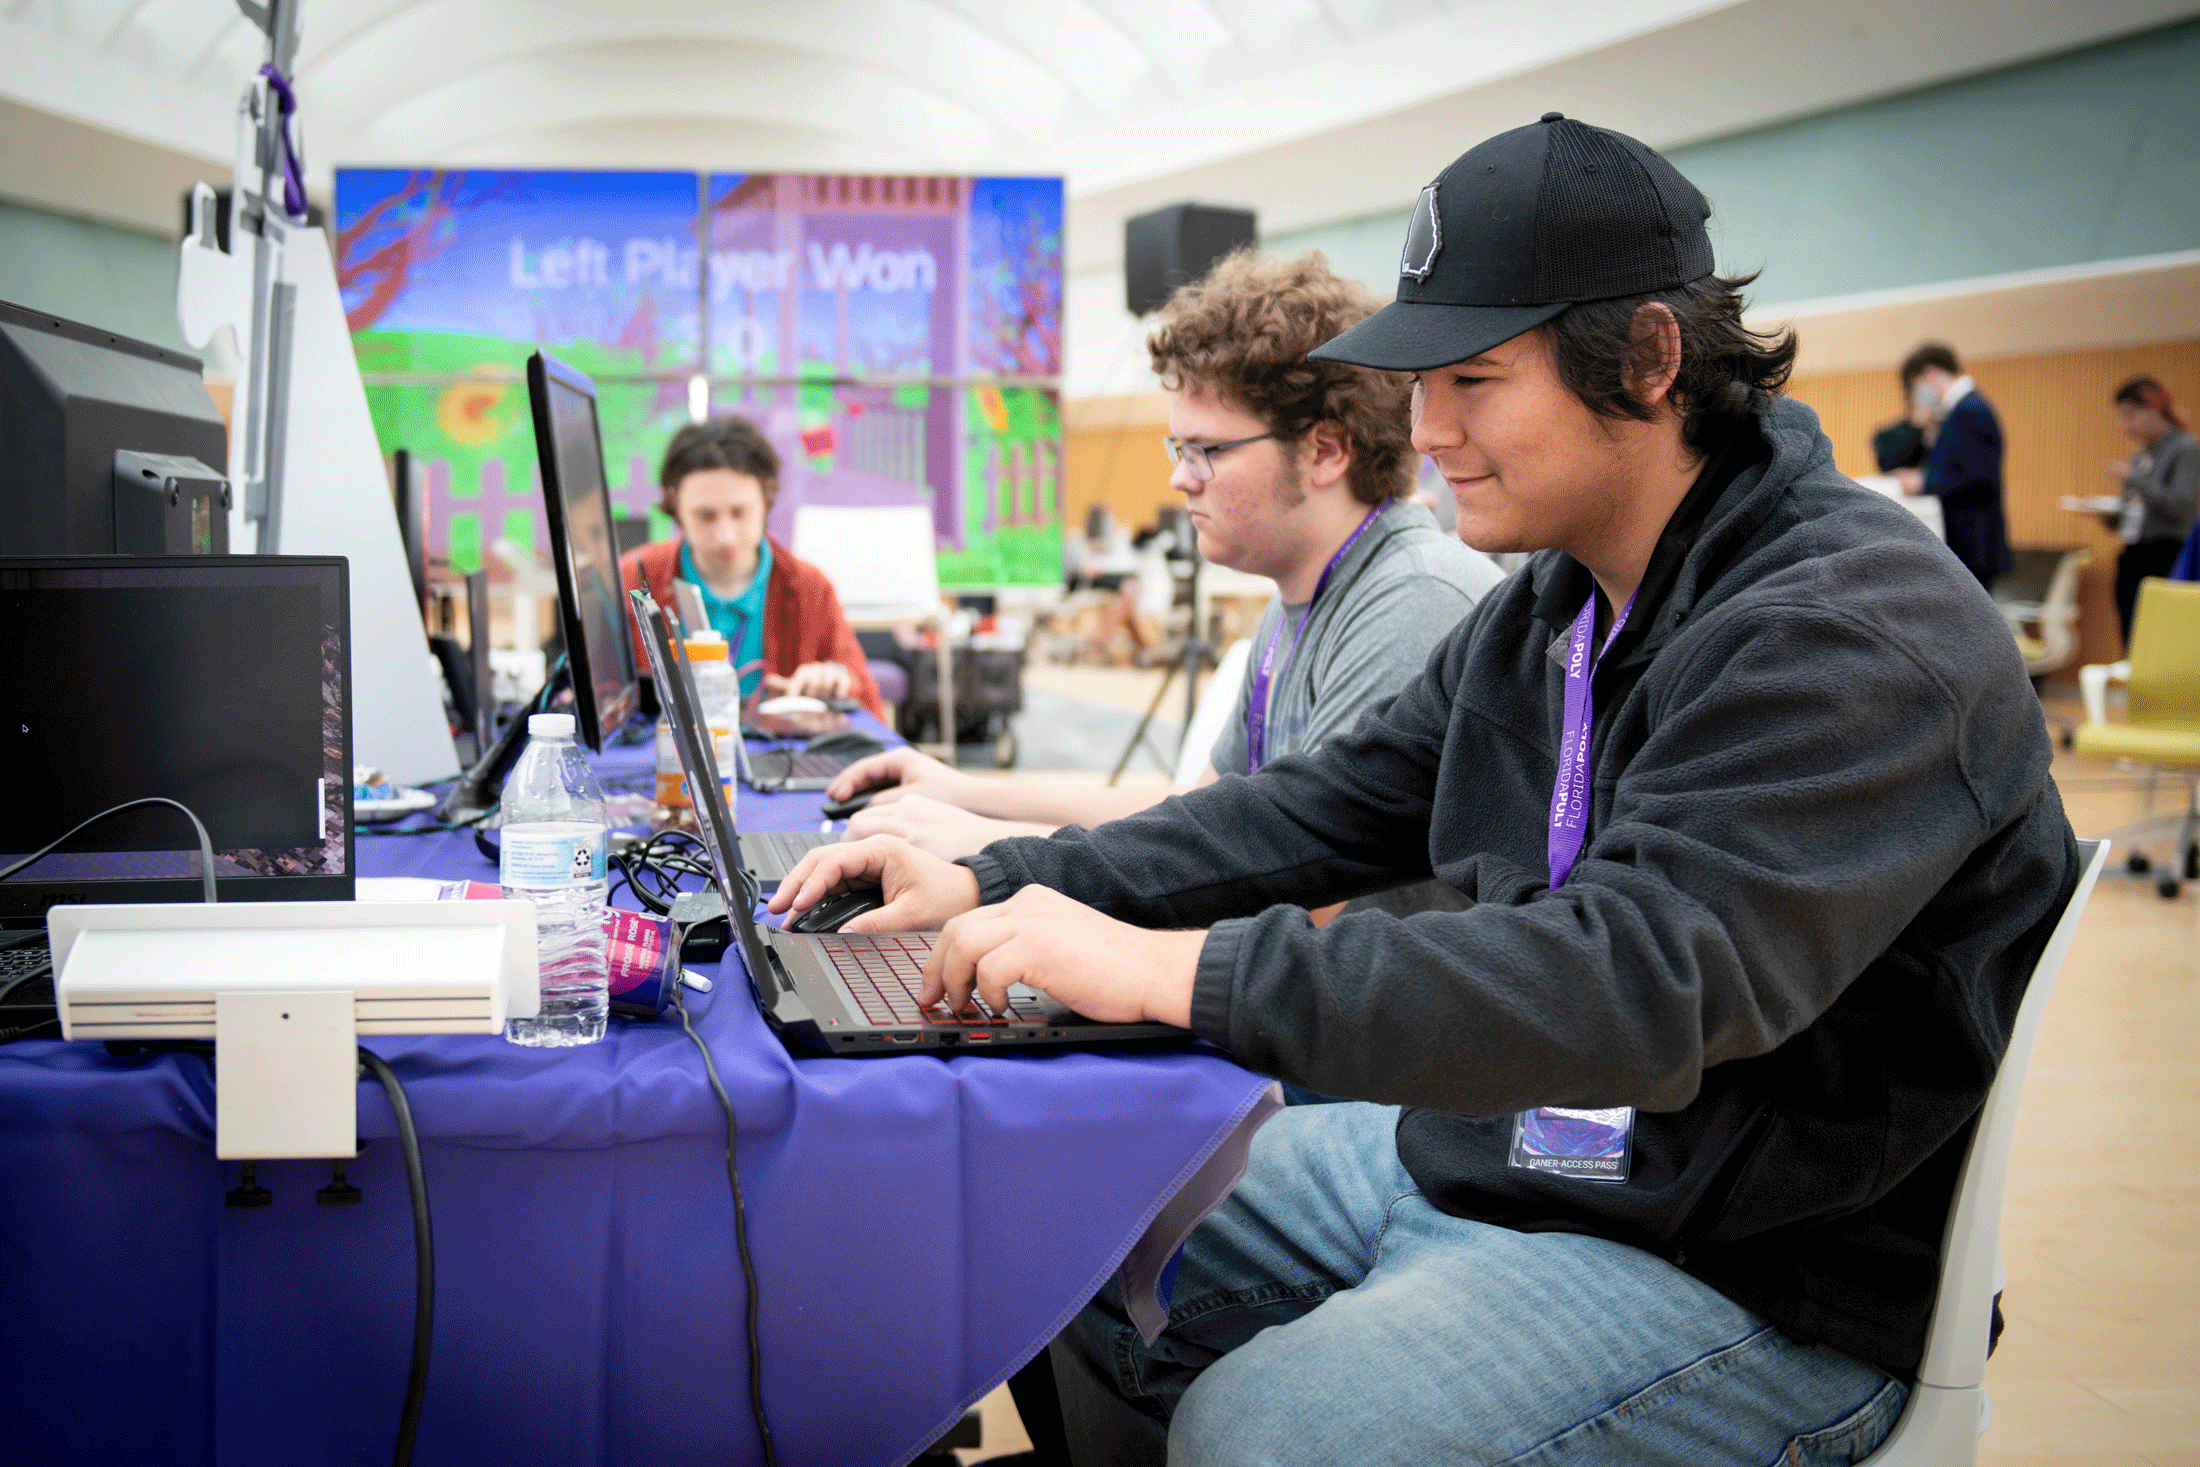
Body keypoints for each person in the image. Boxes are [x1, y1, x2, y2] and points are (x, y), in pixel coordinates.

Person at [770, 113, 2075, 1466]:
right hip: (1557, 1158)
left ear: (1646, 357)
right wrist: (1008, 876)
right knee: (1061, 1228)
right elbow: (1324, 803)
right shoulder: (1564, 597)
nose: (1429, 426)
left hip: (1760, 1272)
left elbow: (1632, 980)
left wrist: (1182, 969)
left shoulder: (1847, 626)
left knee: (1254, 1429)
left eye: (1475, 379)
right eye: (1423, 379)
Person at [827, 250, 1505, 872]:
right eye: (1178, 449)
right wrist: (969, 794)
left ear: (1326, 450)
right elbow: (1197, 816)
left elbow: (1305, 895)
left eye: (1206, 450)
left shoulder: (1412, 602)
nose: (1182, 479)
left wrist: (995, 854)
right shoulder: (1302, 598)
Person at [619, 415, 885, 719]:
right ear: (674, 502)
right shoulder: (633, 580)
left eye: (740, 513)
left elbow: (866, 700)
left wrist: (836, 679)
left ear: (767, 497)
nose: (725, 537)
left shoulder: (809, 588)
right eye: (705, 516)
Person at [1890, 342, 2012, 587]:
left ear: (1930, 372)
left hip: (1973, 543)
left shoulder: (1969, 409)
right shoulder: (1959, 410)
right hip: (1970, 543)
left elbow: (1980, 478)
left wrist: (1923, 482)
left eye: (1915, 386)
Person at [2103, 376, 2199, 646]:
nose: (2125, 426)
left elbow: (2181, 505)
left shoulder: (2185, 448)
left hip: (2168, 553)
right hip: (2135, 551)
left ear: (2154, 409)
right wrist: (2109, 516)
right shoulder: (2139, 456)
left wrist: (2134, 479)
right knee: (2131, 634)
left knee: (2162, 638)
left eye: (2131, 415)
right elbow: (2136, 513)